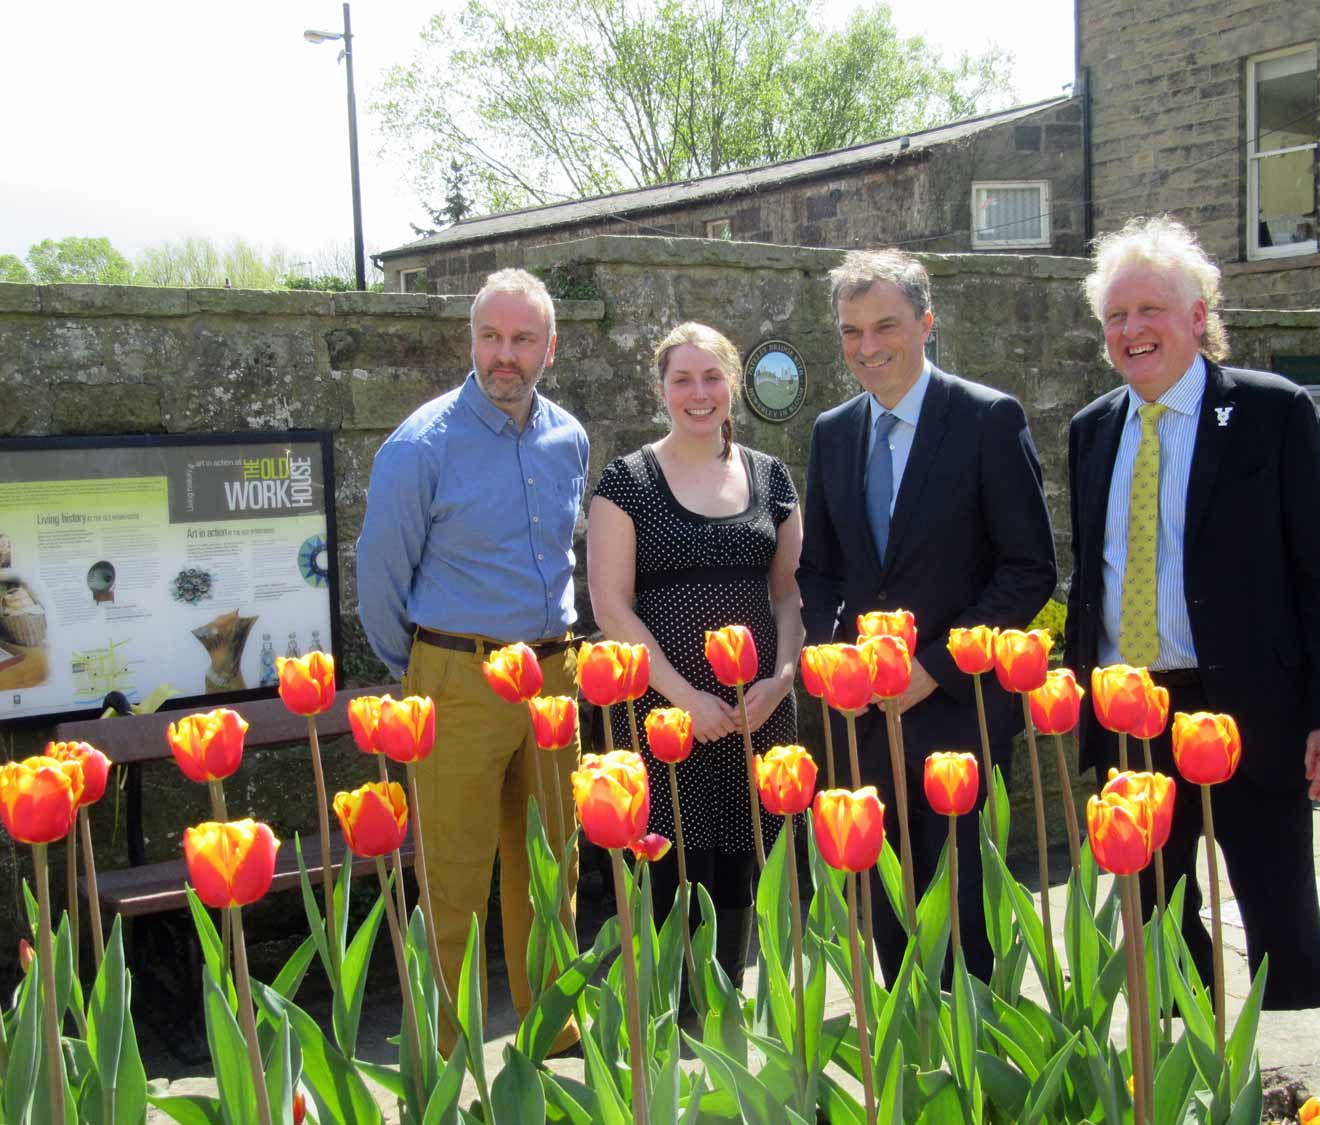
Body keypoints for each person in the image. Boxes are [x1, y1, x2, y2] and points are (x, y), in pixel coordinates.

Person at [1065, 215, 1320, 1009]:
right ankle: (1185, 1059)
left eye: (1150, 310)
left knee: (1278, 907)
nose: (1132, 331)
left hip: (1248, 710)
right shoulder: (1092, 430)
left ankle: (1297, 1078)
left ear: (1198, 314)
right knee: (1154, 916)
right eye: (1116, 317)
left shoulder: (1273, 414)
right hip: (1132, 707)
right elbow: (1090, 574)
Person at [798, 249, 1057, 984]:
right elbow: (819, 569)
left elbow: (1028, 569)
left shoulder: (985, 419)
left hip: (958, 713)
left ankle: (969, 1076)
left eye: (885, 325)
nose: (868, 347)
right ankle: (910, 1067)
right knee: (883, 903)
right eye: (851, 331)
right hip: (864, 719)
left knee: (962, 910)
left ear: (926, 323)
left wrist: (930, 668)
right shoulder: (833, 432)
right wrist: (838, 662)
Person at [355, 268, 587, 1050]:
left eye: (523, 339)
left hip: (554, 677)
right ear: (471, 340)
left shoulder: (569, 437)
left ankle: (552, 1051)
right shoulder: (420, 446)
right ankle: (448, 1066)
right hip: (456, 677)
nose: (505, 355)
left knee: (554, 869)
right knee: (453, 881)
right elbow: (380, 581)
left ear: (549, 347)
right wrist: (425, 669)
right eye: (491, 336)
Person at [587, 322, 802, 988]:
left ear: (733, 386)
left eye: (712, 377)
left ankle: (733, 1028)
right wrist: (685, 698)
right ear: (661, 389)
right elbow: (610, 606)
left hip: (757, 716)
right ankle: (669, 1039)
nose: (698, 392)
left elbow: (792, 596)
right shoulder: (626, 482)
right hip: (661, 717)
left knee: (746, 877)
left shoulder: (772, 477)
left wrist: (779, 679)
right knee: (670, 877)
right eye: (682, 379)